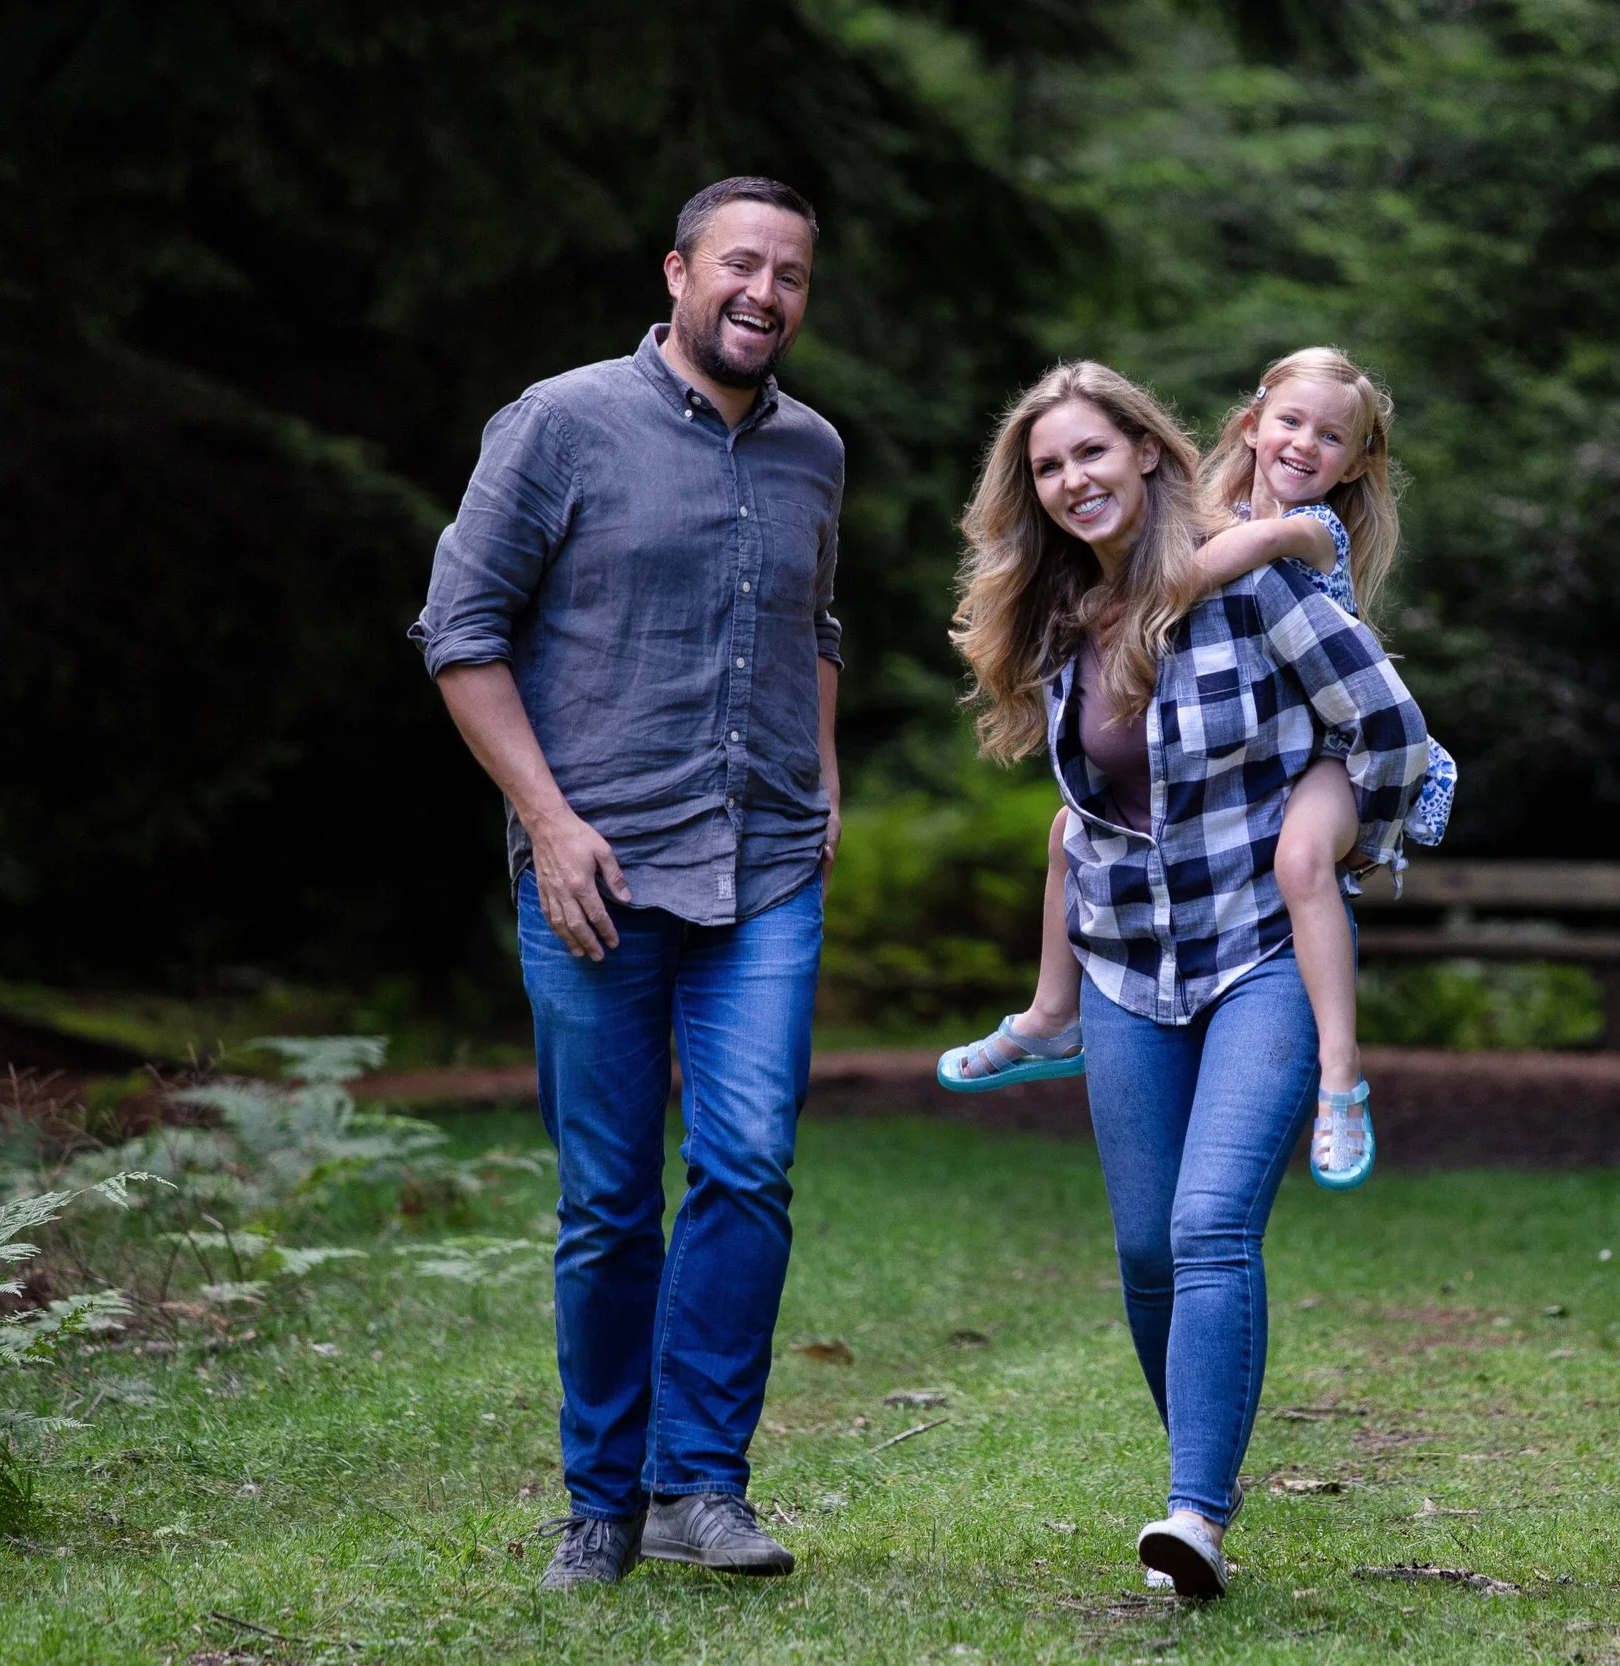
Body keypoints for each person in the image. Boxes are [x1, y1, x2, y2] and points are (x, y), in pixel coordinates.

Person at [409, 177, 843, 1591]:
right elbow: (460, 631)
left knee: (747, 1163)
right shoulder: (559, 422)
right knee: (607, 1199)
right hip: (595, 866)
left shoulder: (814, 452)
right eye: (739, 263)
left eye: (789, 273)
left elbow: (817, 619)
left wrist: (823, 770)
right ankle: (599, 1501)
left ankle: (698, 1484)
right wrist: (547, 819)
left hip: (765, 862)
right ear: (677, 271)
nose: (763, 292)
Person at [947, 361, 1430, 1598]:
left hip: (1257, 949)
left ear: (1148, 452)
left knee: (1212, 1224)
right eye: (1049, 466)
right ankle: (1199, 1466)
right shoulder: (1061, 609)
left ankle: (1193, 1515)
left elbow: (1391, 729)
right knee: (1145, 1252)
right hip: (1122, 965)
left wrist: (1334, 844)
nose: (1073, 481)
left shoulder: (1254, 570)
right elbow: (1085, 803)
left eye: (1091, 455)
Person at [938, 348, 1456, 1191]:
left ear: (1359, 462)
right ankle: (1050, 1013)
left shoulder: (1300, 535)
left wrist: (1129, 599)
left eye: (1332, 437)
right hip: (1157, 918)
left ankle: (1340, 1078)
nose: (1304, 446)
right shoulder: (1216, 510)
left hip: (1334, 756)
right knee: (1069, 828)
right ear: (1251, 427)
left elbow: (1197, 573)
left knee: (1300, 860)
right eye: (1289, 423)